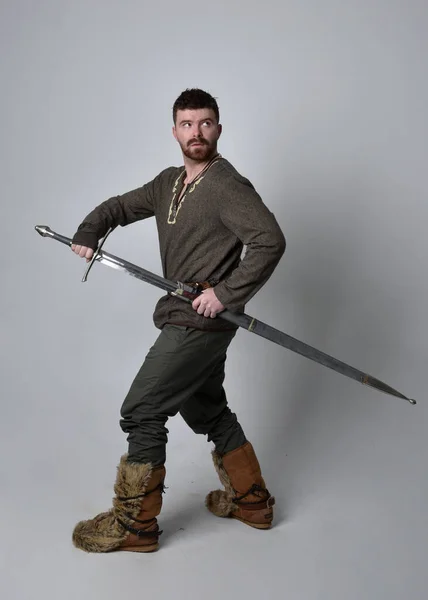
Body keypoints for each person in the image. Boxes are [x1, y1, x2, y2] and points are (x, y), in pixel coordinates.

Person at [70, 88, 286, 553]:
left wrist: (224, 293)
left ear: (219, 129)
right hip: (185, 316)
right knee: (207, 409)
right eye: (187, 124)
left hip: (200, 322)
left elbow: (269, 240)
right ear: (174, 131)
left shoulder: (227, 186)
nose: (196, 133)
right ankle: (253, 503)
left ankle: (136, 525)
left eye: (205, 123)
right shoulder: (168, 182)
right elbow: (119, 208)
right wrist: (90, 230)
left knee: (142, 409)